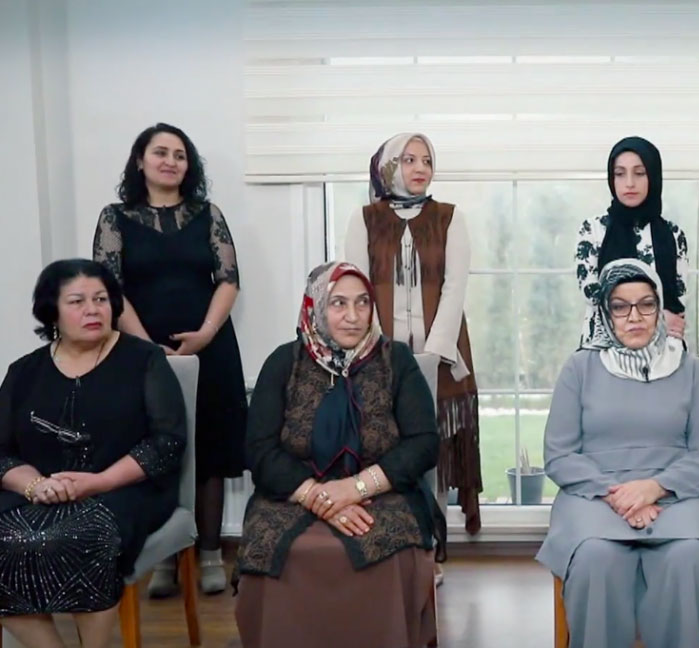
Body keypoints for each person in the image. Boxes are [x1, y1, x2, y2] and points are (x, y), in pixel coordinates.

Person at [235, 261, 445, 648]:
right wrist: (318, 496)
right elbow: (259, 450)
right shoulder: (284, 363)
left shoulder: (396, 360)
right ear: (315, 307)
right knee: (274, 550)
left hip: (383, 493)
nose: (353, 316)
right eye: (338, 304)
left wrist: (356, 488)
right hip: (293, 494)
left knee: (390, 549)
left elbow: (423, 443)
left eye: (362, 302)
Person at [536, 259, 699, 648]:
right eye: (621, 307)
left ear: (659, 308)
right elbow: (559, 453)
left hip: (673, 495)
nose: (635, 317)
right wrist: (618, 494)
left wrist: (654, 488)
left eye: (646, 304)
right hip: (594, 495)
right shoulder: (580, 368)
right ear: (605, 313)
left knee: (688, 557)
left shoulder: (688, 368)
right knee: (595, 558)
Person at [92, 122, 248, 596]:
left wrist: (205, 334)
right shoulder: (115, 218)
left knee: (211, 451)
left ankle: (209, 554)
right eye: (160, 152)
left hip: (210, 350)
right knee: (155, 451)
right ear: (140, 161)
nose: (170, 162)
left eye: (179, 155)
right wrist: (145, 345)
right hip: (141, 354)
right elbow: (109, 288)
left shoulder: (208, 215)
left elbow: (229, 280)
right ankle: (164, 556)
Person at [0, 259, 186, 648]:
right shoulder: (24, 372)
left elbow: (166, 443)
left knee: (82, 537)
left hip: (123, 490)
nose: (93, 310)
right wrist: (36, 486)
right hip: (39, 493)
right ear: (52, 311)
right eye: (77, 301)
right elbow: (2, 452)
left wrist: (98, 482)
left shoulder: (144, 359)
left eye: (101, 299)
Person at [345, 132, 481, 578]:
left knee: (430, 451)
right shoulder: (365, 219)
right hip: (377, 356)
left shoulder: (450, 217)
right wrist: (378, 350)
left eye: (427, 160)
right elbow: (357, 289)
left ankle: (431, 548)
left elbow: (455, 288)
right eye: (409, 159)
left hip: (440, 356)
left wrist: (433, 353)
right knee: (385, 449)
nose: (420, 168)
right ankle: (390, 547)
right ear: (389, 167)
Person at [576, 136, 691, 347]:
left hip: (661, 348)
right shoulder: (593, 230)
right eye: (620, 174)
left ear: (653, 176)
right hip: (603, 349)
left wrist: (663, 320)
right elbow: (592, 294)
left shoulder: (673, 234)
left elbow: (678, 301)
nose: (629, 183)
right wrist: (658, 317)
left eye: (639, 173)